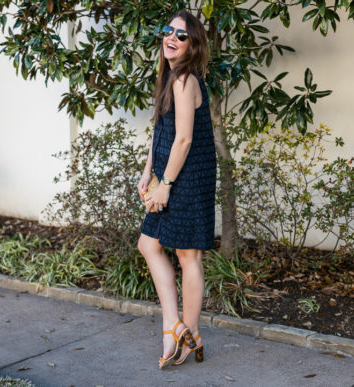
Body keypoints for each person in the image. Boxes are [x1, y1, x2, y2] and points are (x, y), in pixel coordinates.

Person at [137, 10, 216, 370]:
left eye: (181, 35)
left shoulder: (186, 81)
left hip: (187, 177)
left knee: (188, 256)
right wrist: (147, 171)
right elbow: (161, 130)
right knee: (148, 243)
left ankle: (191, 332)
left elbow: (184, 138)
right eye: (168, 30)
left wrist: (165, 185)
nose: (171, 37)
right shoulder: (168, 76)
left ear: (192, 45)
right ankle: (173, 325)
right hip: (168, 174)